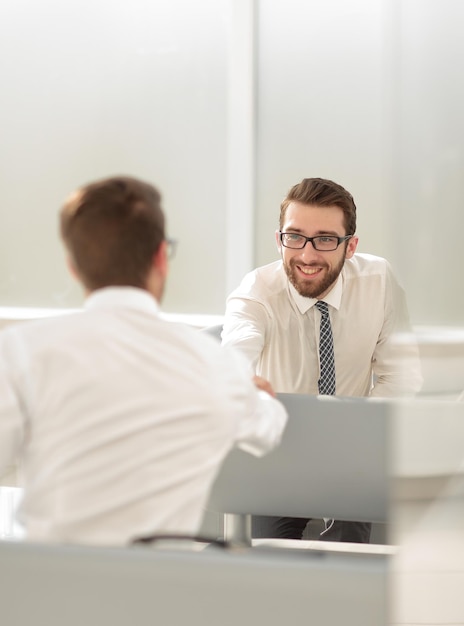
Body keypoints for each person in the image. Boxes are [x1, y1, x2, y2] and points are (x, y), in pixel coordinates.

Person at [0, 175, 288, 546]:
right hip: (159, 592)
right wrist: (258, 394)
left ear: (74, 265)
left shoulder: (20, 352)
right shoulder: (216, 365)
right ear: (160, 257)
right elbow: (267, 433)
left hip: (42, 588)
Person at [221, 177, 422, 543]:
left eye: (326, 239)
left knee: (348, 552)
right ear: (278, 238)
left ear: (350, 246)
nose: (308, 255)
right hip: (279, 452)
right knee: (270, 557)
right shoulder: (255, 292)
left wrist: (358, 433)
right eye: (294, 236)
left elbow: (402, 374)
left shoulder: (379, 280)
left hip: (354, 451)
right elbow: (238, 347)